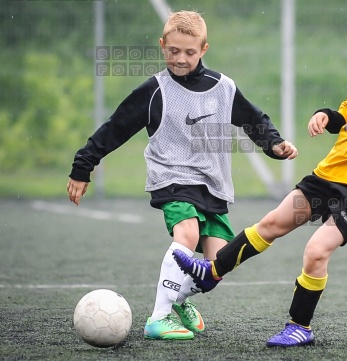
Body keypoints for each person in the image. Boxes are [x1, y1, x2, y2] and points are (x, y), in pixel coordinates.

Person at [173, 8, 347, 347]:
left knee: (316, 251)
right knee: (272, 224)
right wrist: (325, 117)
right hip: (326, 177)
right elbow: (345, 115)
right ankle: (211, 273)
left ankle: (300, 326)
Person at [67, 11, 298, 341]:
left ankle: (177, 298)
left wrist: (273, 144)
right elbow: (115, 128)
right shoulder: (155, 91)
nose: (180, 58)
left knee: (218, 265)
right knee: (186, 234)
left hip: (213, 185)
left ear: (204, 49)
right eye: (173, 50)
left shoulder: (223, 88)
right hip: (172, 177)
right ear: (162, 46)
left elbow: (254, 119)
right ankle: (158, 317)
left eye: (189, 52)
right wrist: (83, 166)